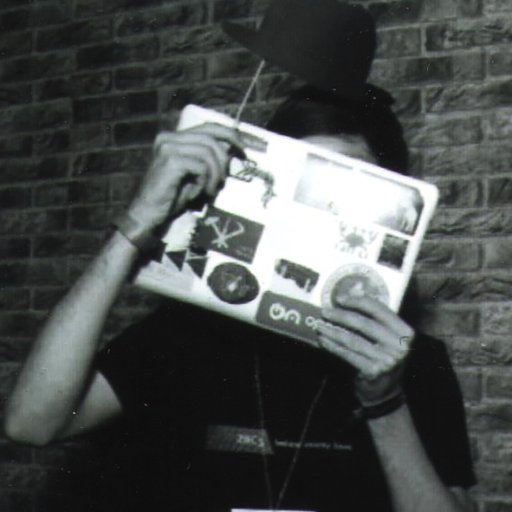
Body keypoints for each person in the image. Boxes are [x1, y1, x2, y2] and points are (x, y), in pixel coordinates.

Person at [4, 1, 475, 511]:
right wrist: (137, 222)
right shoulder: (187, 335)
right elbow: (31, 422)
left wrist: (386, 404)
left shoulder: (414, 362)